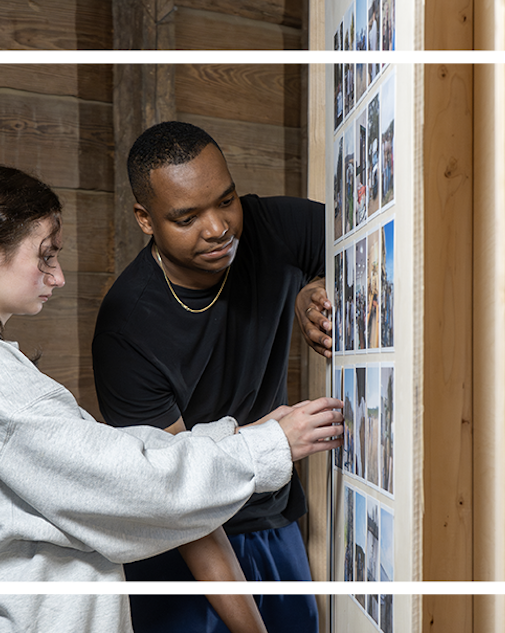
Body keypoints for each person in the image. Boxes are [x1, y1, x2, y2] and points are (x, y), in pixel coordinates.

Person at [0, 165, 345, 632]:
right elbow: (130, 481)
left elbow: (107, 458)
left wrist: (242, 433)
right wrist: (268, 445)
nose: (57, 277)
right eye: (45, 257)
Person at [93, 121, 339, 633]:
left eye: (225, 201)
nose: (217, 227)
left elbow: (369, 238)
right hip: (180, 551)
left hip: (273, 522)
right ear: (145, 219)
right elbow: (175, 496)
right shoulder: (126, 326)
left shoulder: (273, 227)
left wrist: (310, 288)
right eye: (187, 217)